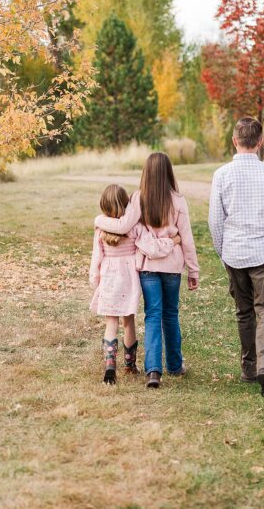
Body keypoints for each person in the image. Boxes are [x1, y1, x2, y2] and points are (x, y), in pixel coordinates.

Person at [95, 152, 199, 389]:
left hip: (148, 268)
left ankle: (153, 371)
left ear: (146, 173)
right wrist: (193, 270)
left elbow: (122, 226)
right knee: (171, 315)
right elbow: (187, 239)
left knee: (153, 315)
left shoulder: (138, 199)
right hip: (172, 266)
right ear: (168, 172)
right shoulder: (178, 200)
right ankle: (174, 365)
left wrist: (98, 220)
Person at [207, 117, 264, 397]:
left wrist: (222, 251)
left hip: (234, 253)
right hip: (263, 251)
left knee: (244, 311)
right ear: (260, 142)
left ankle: (250, 368)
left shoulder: (221, 175)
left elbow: (215, 221)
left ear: (234, 141)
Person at [90, 184, 145, 383]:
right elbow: (140, 254)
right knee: (128, 322)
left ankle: (110, 366)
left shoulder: (100, 231)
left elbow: (96, 259)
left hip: (110, 280)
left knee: (111, 322)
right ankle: (130, 365)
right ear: (126, 205)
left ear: (104, 205)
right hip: (129, 280)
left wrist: (95, 280)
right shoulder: (134, 229)